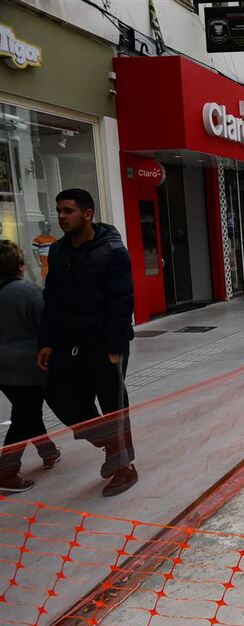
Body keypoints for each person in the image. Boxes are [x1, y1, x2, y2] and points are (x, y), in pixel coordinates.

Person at [37, 188, 137, 496]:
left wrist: (113, 348)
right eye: (59, 211)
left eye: (68, 211)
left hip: (105, 344)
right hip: (68, 342)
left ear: (87, 214)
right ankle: (108, 441)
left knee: (113, 404)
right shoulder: (58, 251)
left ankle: (124, 467)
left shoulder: (113, 251)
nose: (61, 217)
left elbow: (122, 302)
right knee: (58, 394)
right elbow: (51, 298)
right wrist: (47, 341)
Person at [0, 240, 61, 493]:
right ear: (21, 266)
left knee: (27, 411)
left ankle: (48, 450)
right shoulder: (28, 292)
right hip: (28, 368)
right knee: (24, 417)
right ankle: (6, 471)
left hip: (2, 372)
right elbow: (47, 325)